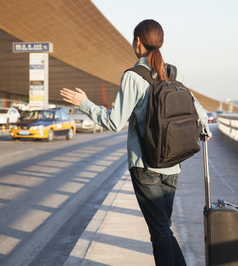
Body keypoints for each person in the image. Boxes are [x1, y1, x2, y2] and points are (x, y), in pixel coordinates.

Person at [60, 19, 212, 266]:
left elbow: (114, 122)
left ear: (138, 42)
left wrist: (84, 103)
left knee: (159, 230)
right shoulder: (174, 72)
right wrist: (205, 128)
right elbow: (195, 107)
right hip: (173, 165)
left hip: (145, 165)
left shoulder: (133, 76)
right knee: (163, 227)